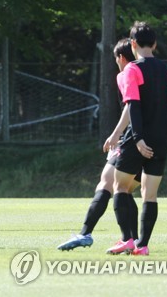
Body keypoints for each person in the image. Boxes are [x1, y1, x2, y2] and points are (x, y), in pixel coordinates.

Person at [57, 38, 141, 251]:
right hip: (151, 139)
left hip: (131, 137)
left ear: (121, 58)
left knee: (107, 183)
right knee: (126, 189)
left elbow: (130, 107)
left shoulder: (125, 73)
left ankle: (86, 233)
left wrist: (116, 134)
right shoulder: (149, 73)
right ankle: (134, 240)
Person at [106, 21, 167, 256]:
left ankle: (127, 239)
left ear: (133, 44)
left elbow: (133, 106)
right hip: (160, 141)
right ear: (155, 44)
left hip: (137, 140)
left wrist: (137, 139)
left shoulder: (132, 70)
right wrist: (166, 138)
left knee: (120, 187)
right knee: (150, 194)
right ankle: (143, 245)